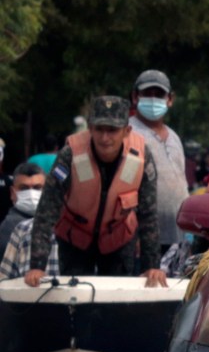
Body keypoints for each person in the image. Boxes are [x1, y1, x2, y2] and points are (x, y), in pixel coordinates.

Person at [24, 96, 168, 287]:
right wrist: (37, 265)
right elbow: (46, 209)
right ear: (90, 128)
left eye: (112, 130)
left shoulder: (140, 157)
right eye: (99, 129)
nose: (105, 138)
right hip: (75, 239)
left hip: (119, 239)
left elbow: (148, 214)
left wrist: (152, 265)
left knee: (117, 300)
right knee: (74, 299)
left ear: (127, 131)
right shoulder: (71, 154)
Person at [130, 70, 188, 247]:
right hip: (142, 240)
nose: (153, 99)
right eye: (147, 94)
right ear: (135, 97)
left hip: (177, 238)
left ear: (170, 99)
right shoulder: (127, 134)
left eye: (159, 94)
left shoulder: (174, 137)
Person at [0, 160, 50, 281]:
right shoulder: (8, 229)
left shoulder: (57, 223)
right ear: (13, 193)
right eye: (24, 188)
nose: (31, 194)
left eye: (37, 188)